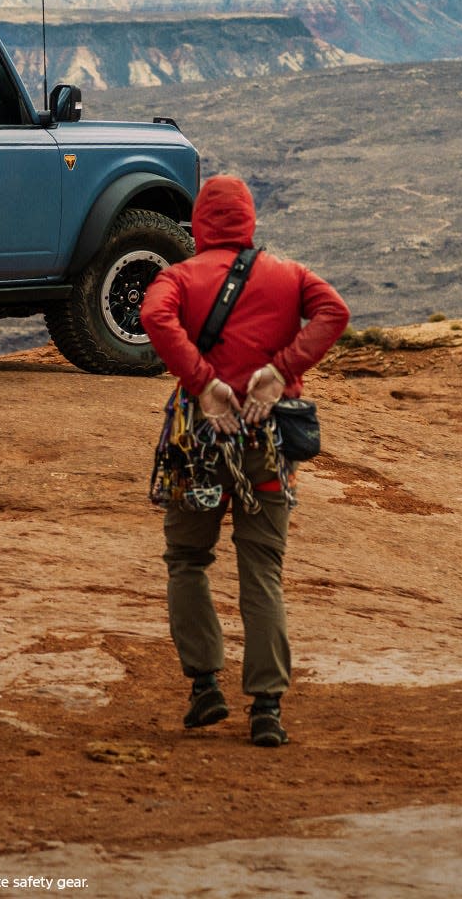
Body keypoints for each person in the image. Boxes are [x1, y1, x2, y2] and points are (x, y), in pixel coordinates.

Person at [139, 174, 349, 748]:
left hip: (195, 443)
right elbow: (335, 311)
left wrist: (204, 384)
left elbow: (155, 317)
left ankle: (205, 686)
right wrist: (280, 372)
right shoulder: (290, 276)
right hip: (269, 442)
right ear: (250, 220)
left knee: (187, 559)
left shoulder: (178, 277)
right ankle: (267, 709)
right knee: (262, 570)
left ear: (201, 224)